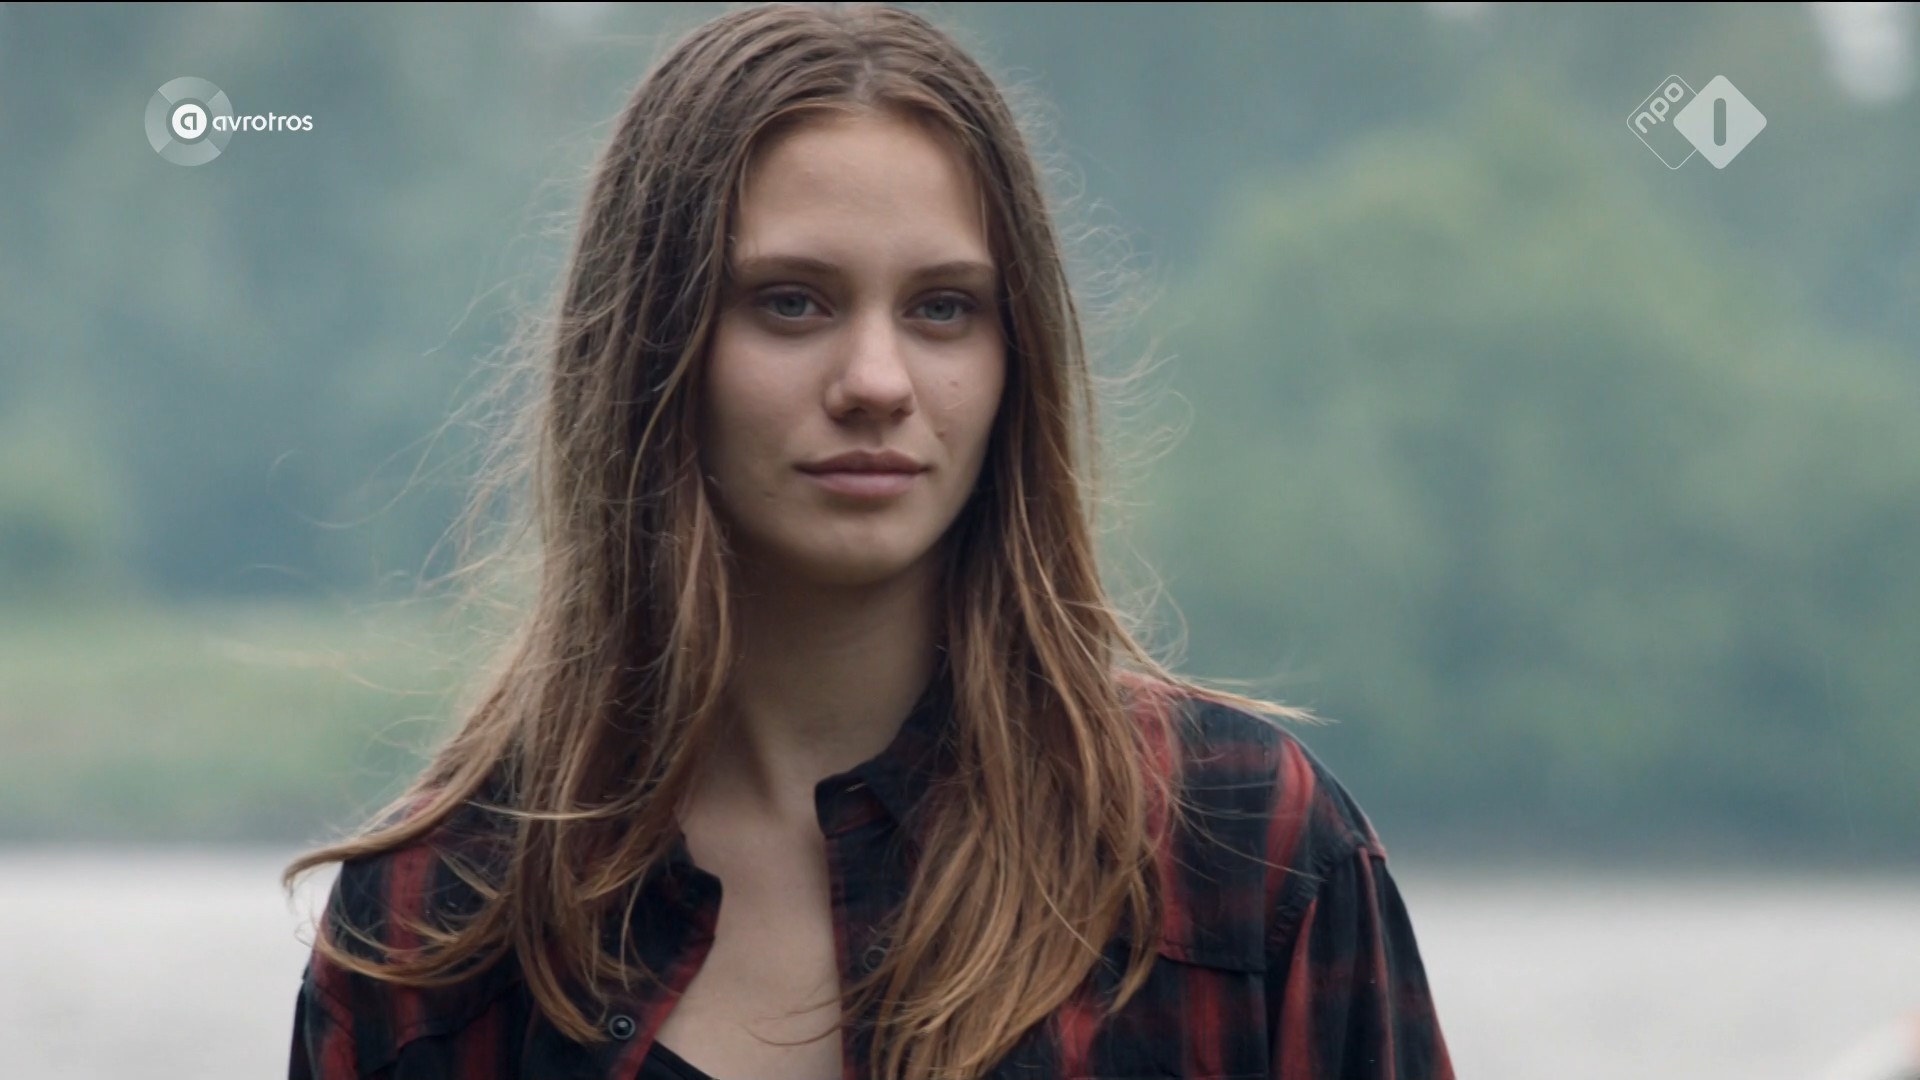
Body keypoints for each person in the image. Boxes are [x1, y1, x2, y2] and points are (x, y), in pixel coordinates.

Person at [283, 4, 1456, 1079]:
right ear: (650, 346)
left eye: (943, 307)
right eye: (791, 301)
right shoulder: (437, 923)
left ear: (1014, 358)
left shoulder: (1241, 852)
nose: (877, 381)